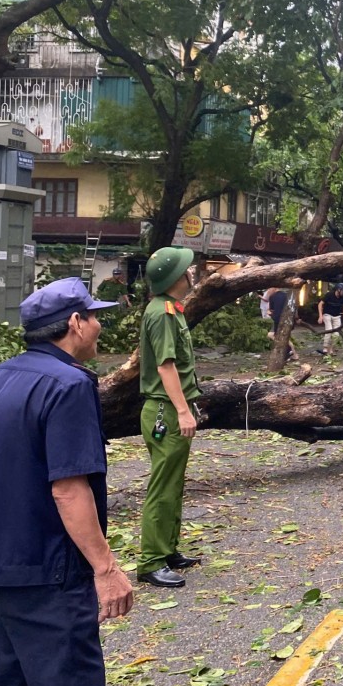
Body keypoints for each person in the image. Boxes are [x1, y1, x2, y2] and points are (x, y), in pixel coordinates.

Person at [0, 278, 133, 686]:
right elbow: (69, 489)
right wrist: (105, 568)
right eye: (94, 317)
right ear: (75, 323)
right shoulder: (70, 385)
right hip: (49, 569)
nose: (99, 327)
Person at [138, 247, 204, 588]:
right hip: (165, 410)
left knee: (174, 484)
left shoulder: (171, 309)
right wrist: (182, 410)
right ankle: (151, 560)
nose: (191, 274)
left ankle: (167, 550)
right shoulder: (163, 313)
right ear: (175, 278)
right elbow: (166, 367)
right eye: (186, 270)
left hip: (169, 408)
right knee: (163, 487)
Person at [266, 286, 299, 362]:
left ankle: (289, 351)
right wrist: (296, 318)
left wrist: (269, 313)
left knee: (276, 336)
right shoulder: (286, 296)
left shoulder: (272, 297)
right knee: (285, 336)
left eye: (269, 289)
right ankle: (293, 354)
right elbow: (294, 307)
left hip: (278, 319)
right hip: (289, 319)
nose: (268, 291)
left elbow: (272, 310)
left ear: (273, 288)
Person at [317, 282, 343, 356]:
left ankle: (331, 349)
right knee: (329, 330)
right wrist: (320, 316)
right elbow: (320, 304)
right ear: (338, 290)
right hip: (327, 314)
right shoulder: (329, 295)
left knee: (336, 334)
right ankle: (325, 348)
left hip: (337, 315)